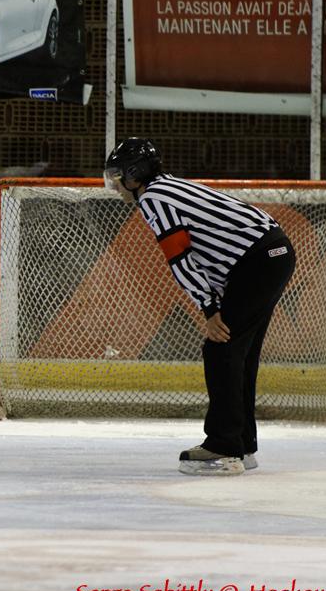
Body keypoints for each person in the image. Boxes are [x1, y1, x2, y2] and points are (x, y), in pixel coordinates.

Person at [104, 138, 296, 476]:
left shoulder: (154, 198)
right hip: (273, 254)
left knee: (221, 350)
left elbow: (180, 257)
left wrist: (208, 308)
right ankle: (242, 444)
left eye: (119, 176)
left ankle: (224, 447)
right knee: (240, 353)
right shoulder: (170, 186)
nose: (115, 185)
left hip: (258, 262)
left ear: (135, 174)